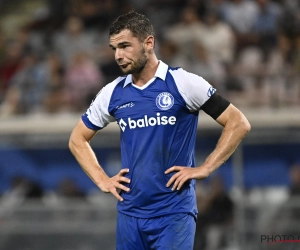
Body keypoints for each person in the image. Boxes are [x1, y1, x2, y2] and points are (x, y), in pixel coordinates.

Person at [69, 10, 251, 250]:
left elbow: (238, 123)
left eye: (125, 46)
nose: (118, 56)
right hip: (129, 215)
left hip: (173, 214)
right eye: (114, 49)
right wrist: (102, 179)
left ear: (149, 43)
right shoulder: (112, 92)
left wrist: (206, 167)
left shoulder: (183, 83)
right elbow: (77, 139)